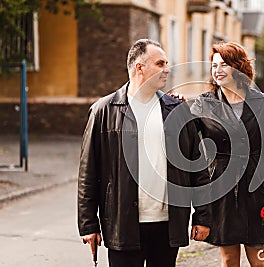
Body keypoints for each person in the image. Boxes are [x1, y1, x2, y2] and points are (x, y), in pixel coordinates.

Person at [77, 39, 211, 267]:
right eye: (160, 64)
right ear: (139, 67)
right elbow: (88, 172)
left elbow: (197, 168)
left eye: (167, 63)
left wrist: (203, 216)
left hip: (167, 225)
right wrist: (89, 224)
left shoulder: (178, 110)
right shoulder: (103, 111)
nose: (167, 69)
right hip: (122, 224)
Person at [190, 41, 264, 267]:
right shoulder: (204, 104)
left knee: (259, 259)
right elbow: (184, 137)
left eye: (224, 65)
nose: (218, 70)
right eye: (214, 66)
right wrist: (175, 108)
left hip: (255, 187)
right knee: (229, 259)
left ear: (238, 67)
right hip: (221, 189)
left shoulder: (261, 102)